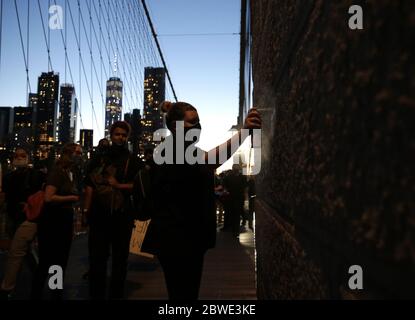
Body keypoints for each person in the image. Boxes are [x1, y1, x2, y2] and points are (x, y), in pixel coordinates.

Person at [142, 101, 261, 300]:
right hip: (177, 239)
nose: (198, 126)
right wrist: (244, 132)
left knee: (184, 293)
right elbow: (210, 161)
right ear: (175, 127)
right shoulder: (170, 151)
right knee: (183, 294)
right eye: (192, 122)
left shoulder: (182, 149)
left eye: (198, 121)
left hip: (187, 237)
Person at [84, 121, 141, 299]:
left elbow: (139, 187)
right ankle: (96, 294)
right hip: (98, 214)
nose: (120, 137)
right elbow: (89, 186)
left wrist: (119, 185)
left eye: (124, 135)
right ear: (111, 134)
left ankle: (116, 295)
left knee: (120, 260)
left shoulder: (132, 160)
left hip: (121, 215)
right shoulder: (98, 158)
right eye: (117, 134)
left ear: (127, 137)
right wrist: (86, 211)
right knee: (97, 259)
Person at [30, 143, 82, 300]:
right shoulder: (57, 172)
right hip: (52, 222)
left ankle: (55, 291)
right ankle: (37, 293)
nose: (80, 156)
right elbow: (48, 197)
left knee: (60, 260)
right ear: (69, 154)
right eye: (78, 153)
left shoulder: (69, 172)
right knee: (47, 260)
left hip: (63, 221)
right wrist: (71, 198)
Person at [0, 148, 45, 299]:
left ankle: (7, 287)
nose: (19, 158)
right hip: (13, 216)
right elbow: (6, 197)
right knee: (23, 251)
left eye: (23, 156)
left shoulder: (36, 175)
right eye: (16, 156)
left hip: (29, 217)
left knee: (16, 251)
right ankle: (40, 277)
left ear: (28, 158)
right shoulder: (7, 177)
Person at [223, 164, 248, 237]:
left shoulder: (228, 177)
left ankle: (233, 229)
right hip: (239, 198)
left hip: (231, 198)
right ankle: (236, 231)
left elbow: (225, 187)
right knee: (237, 215)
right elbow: (245, 188)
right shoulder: (243, 177)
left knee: (232, 214)